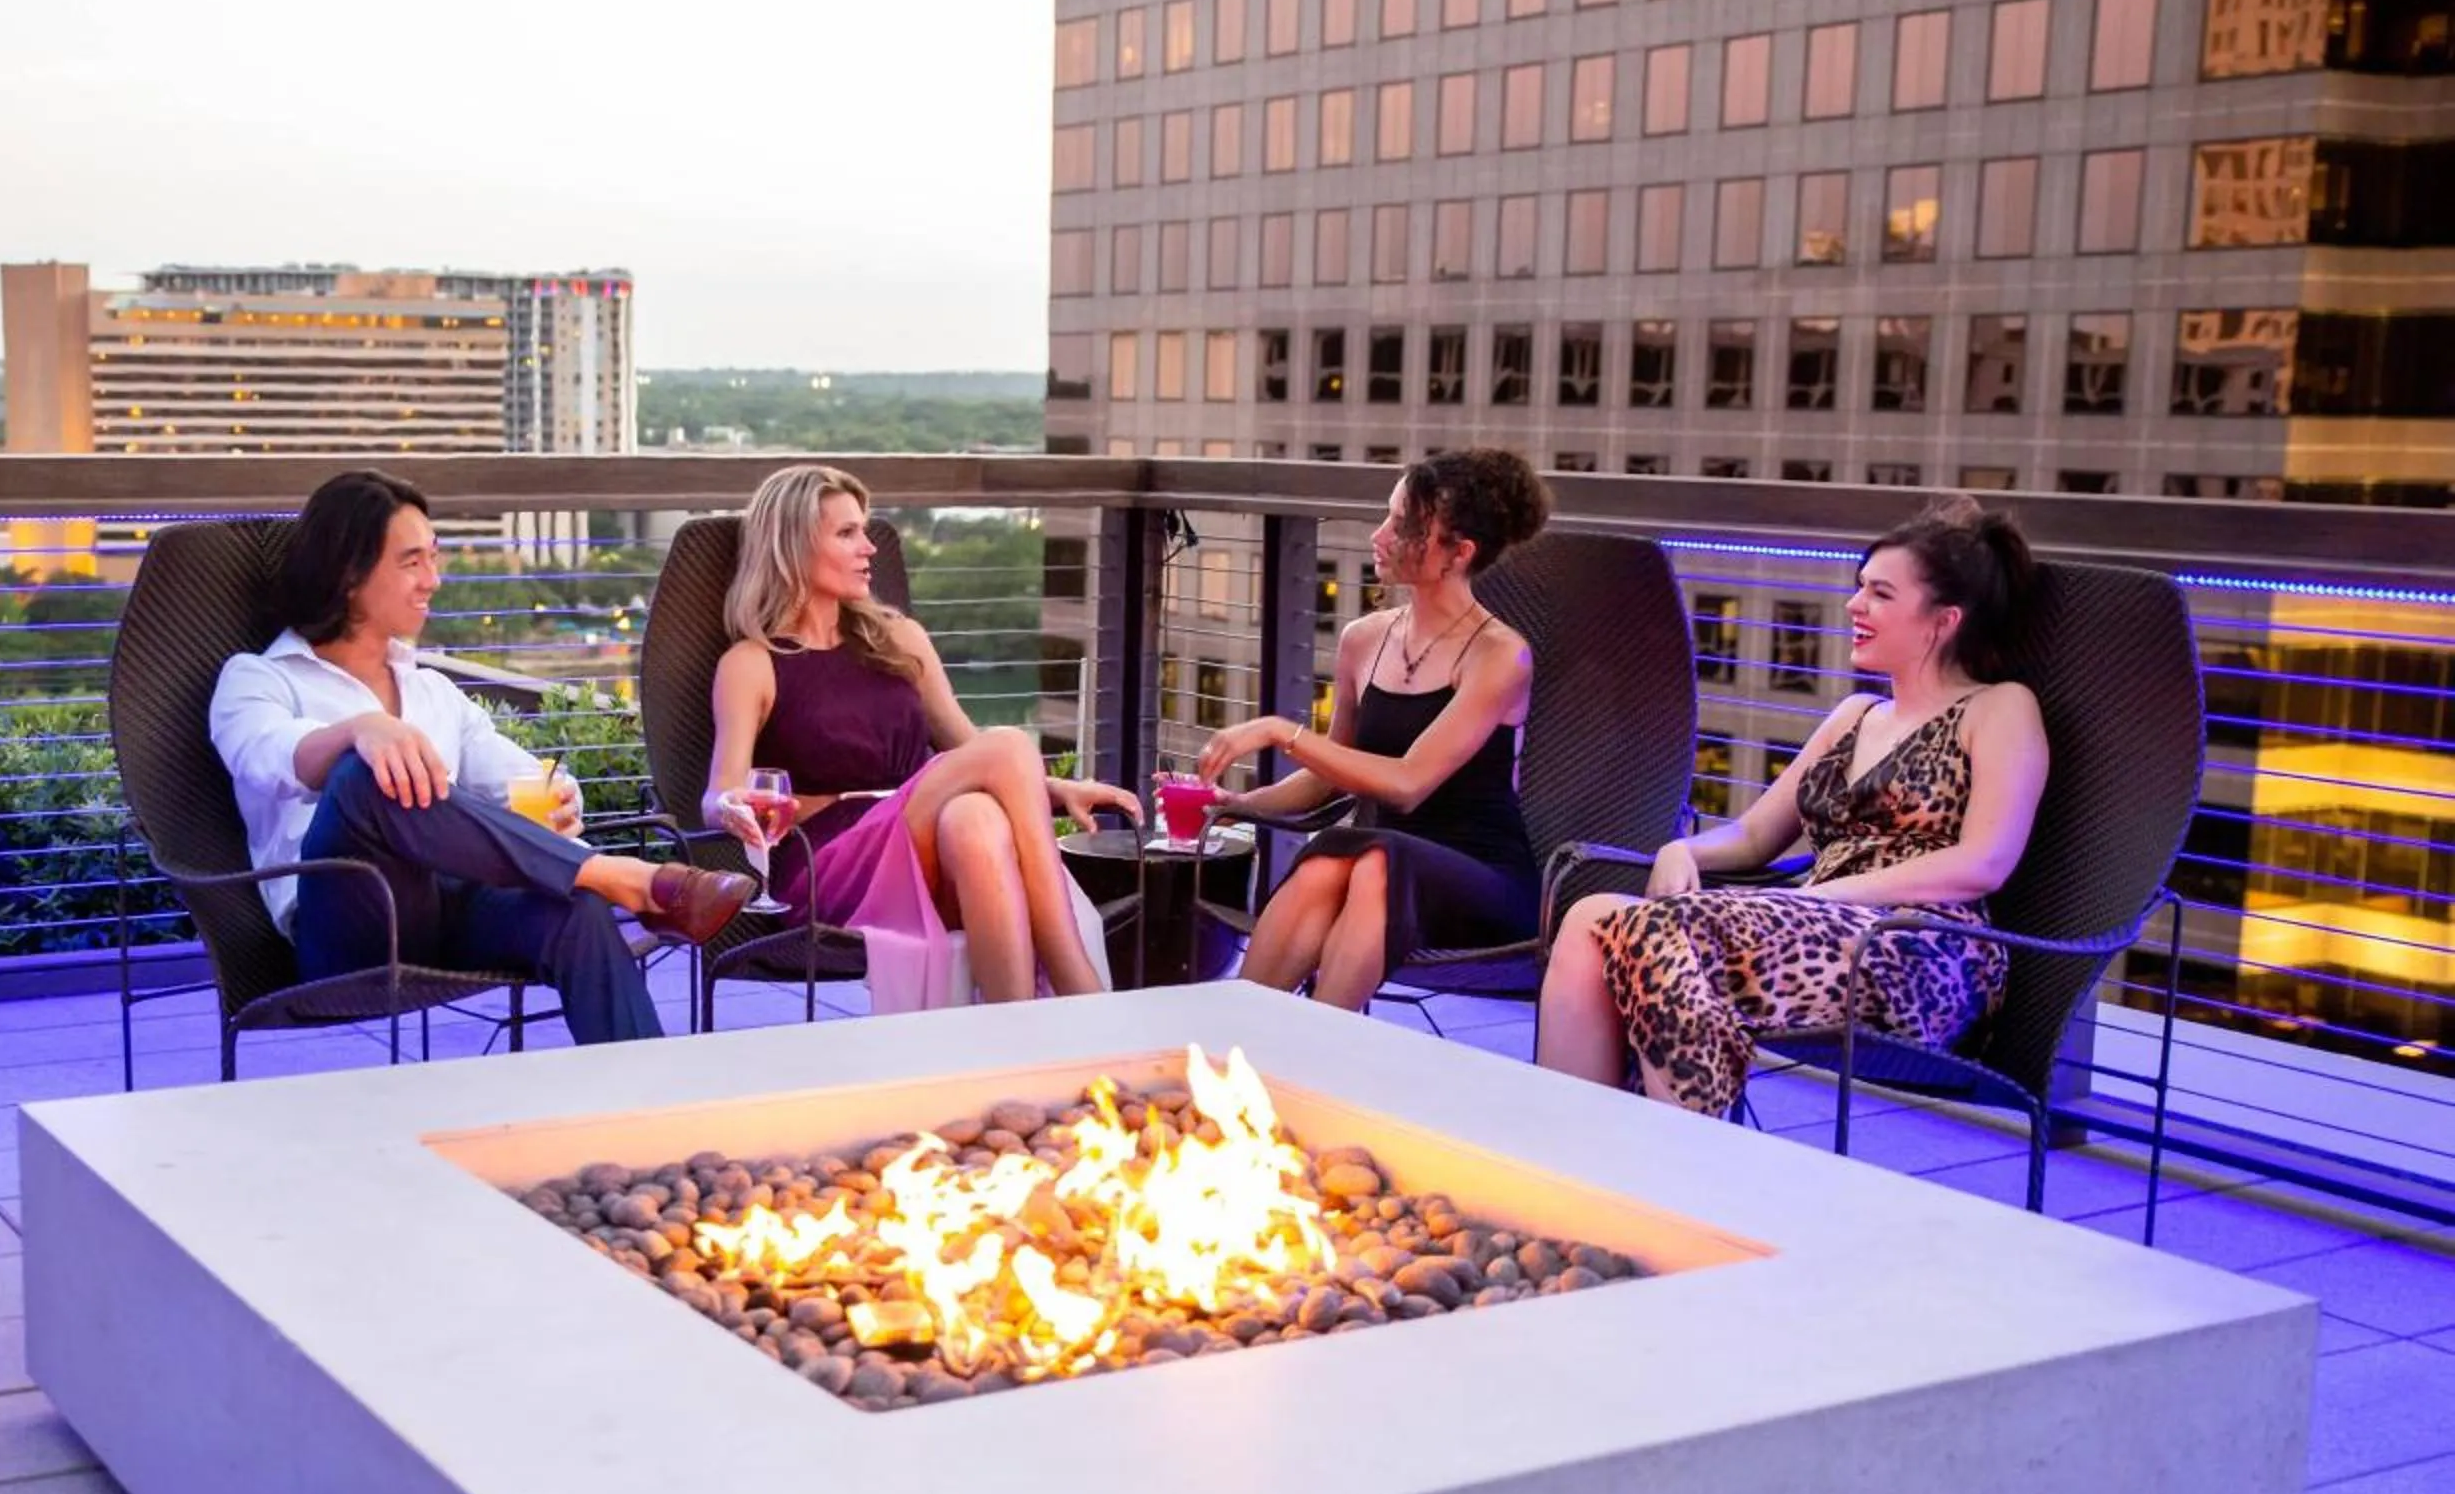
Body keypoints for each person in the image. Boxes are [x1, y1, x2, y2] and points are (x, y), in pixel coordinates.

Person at [1536, 495, 2050, 1118]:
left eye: (1881, 594)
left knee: (1666, 928)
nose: (1855, 606)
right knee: (1591, 916)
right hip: (1804, 924)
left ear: (1944, 620)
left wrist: (1820, 897)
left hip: (1920, 950)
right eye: (1861, 588)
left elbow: (1984, 862)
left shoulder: (1998, 708)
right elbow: (1756, 835)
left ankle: (1675, 1158)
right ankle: (1579, 1143)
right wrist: (1682, 847)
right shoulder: (1855, 716)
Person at [208, 470, 755, 1046]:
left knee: (580, 912)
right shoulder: (258, 678)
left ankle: (648, 1107)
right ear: (349, 572)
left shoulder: (434, 692)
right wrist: (363, 730)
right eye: (411, 562)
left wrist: (559, 801)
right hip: (347, 932)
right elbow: (265, 758)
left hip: (453, 912)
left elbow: (527, 778)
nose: (433, 580)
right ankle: (629, 880)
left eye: (434, 558)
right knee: (367, 772)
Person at [700, 464, 1142, 1009]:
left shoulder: (900, 639)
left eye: (865, 530)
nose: (870, 548)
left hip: (920, 843)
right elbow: (715, 794)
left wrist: (1054, 790)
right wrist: (733, 807)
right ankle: (1079, 986)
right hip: (827, 870)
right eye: (847, 533)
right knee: (1006, 744)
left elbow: (966, 750)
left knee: (975, 819)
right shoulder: (751, 663)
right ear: (791, 546)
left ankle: (1018, 1036)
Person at [1191, 449, 1549, 1012]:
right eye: (1387, 515)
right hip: (1378, 864)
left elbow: (1408, 784)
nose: (1379, 535)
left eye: (1403, 524)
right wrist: (1237, 802)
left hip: (1485, 881)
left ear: (1457, 553)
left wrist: (1282, 732)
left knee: (1373, 859)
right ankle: (1241, 1039)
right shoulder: (1365, 639)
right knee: (1340, 858)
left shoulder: (1501, 656)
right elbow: (1331, 774)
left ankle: (1321, 1063)